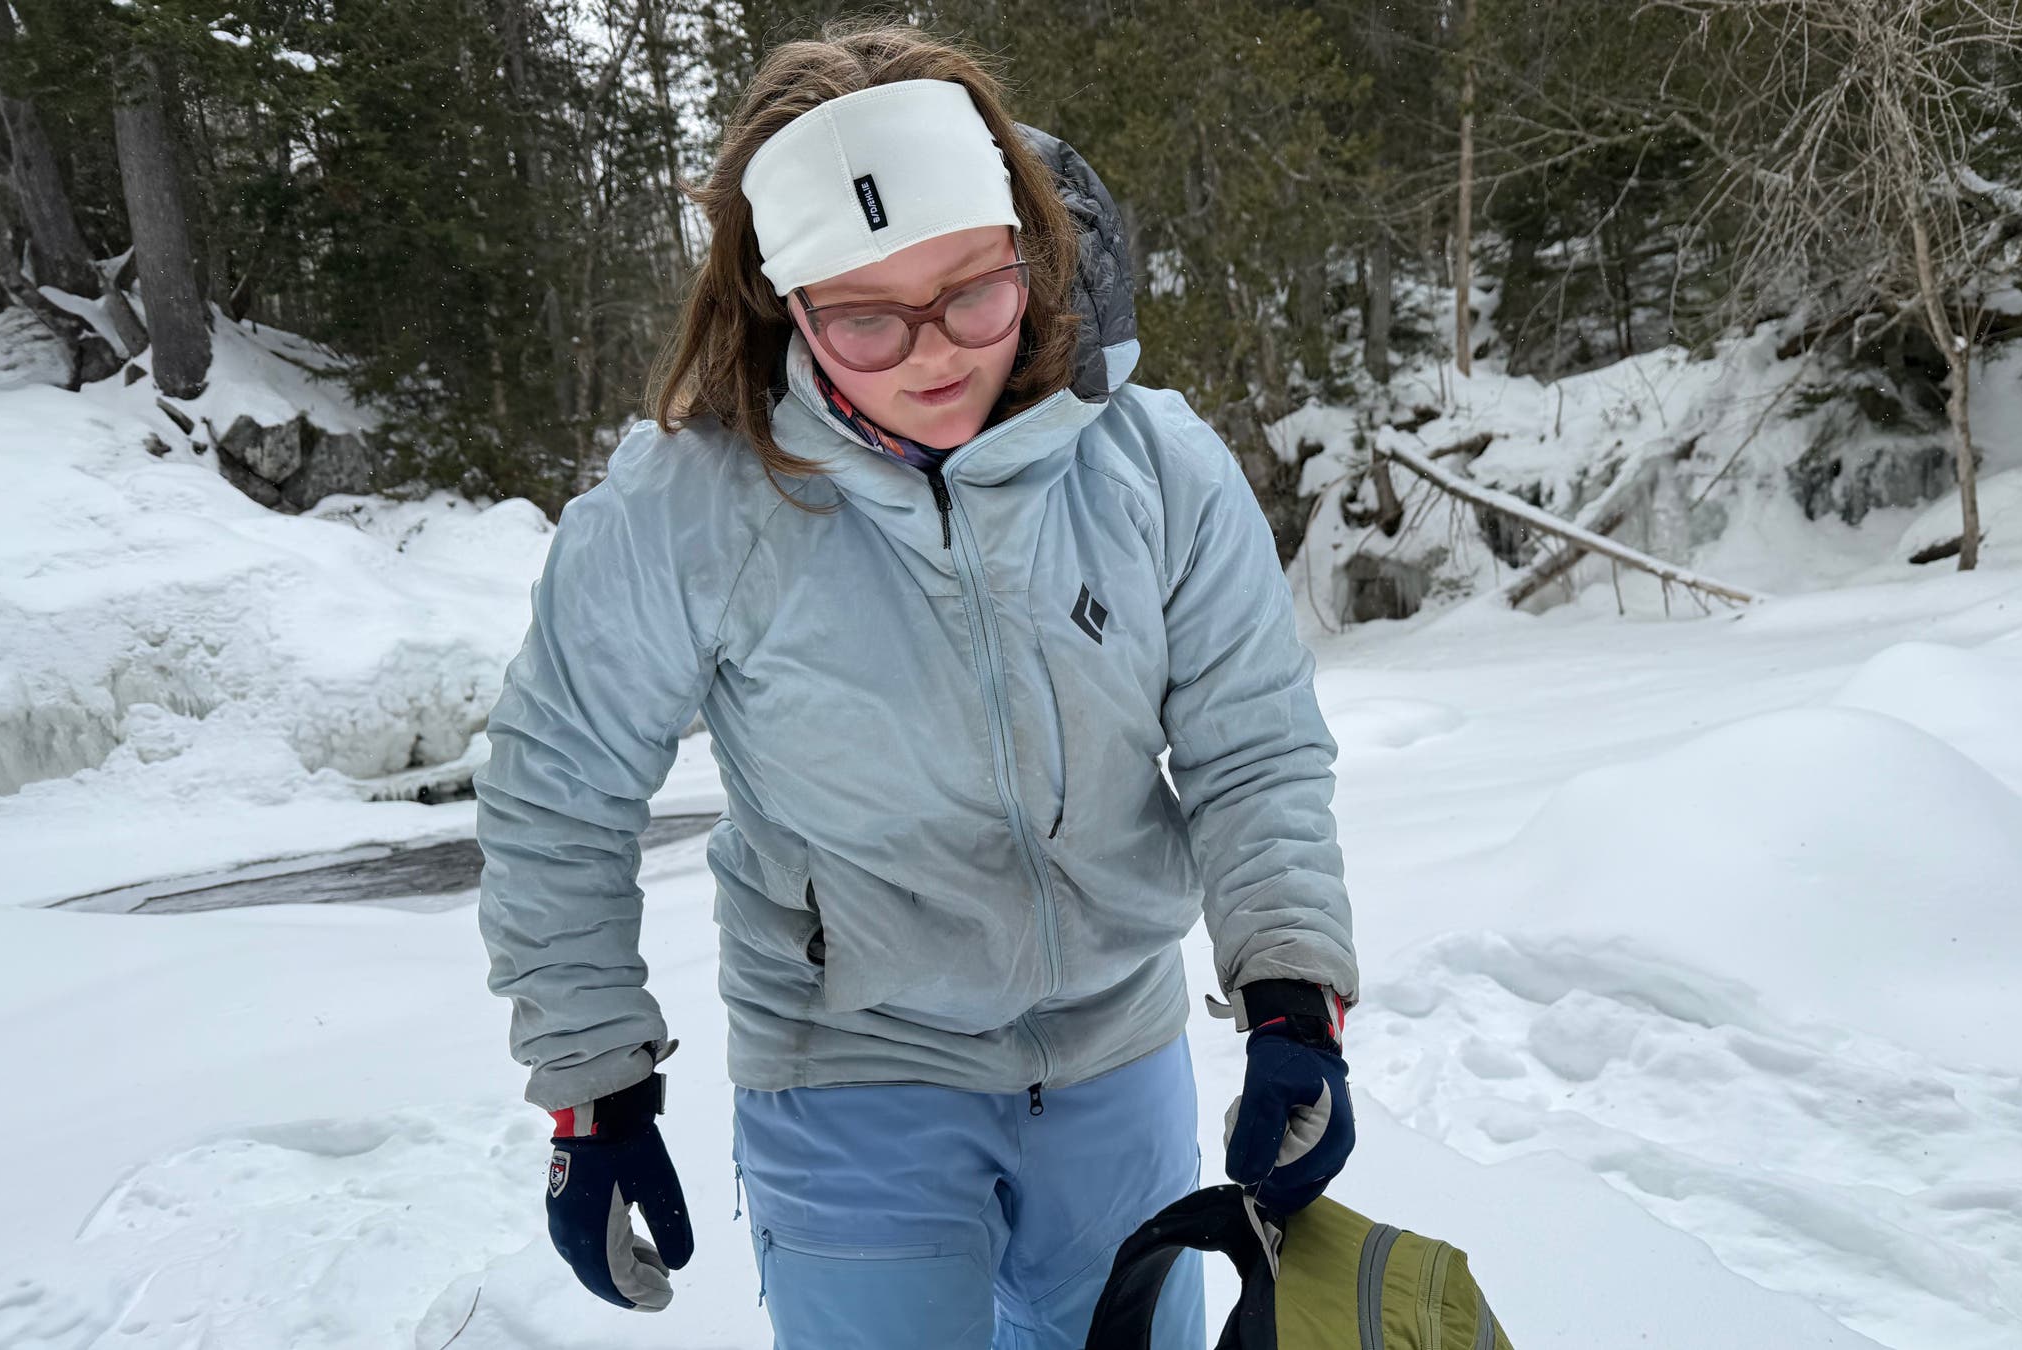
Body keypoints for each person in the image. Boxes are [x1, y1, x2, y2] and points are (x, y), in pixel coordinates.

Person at [475, 23, 1359, 1350]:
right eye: (867, 319)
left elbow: (1251, 750)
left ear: (1030, 249)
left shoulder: (1156, 466)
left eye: (973, 294)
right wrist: (592, 1085)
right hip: (850, 1074)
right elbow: (560, 793)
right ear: (785, 299)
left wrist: (1292, 987)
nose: (935, 353)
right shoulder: (685, 510)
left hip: (1118, 1056)